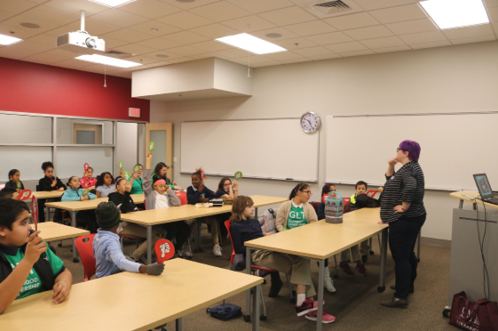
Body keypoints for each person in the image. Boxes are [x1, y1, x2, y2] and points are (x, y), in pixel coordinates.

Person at [230, 196, 335, 324]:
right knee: (300, 267)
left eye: (252, 206)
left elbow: (259, 236)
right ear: (240, 208)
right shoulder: (235, 226)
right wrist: (258, 241)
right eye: (249, 206)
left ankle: (303, 302)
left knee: (302, 259)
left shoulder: (255, 222)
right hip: (256, 255)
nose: (253, 209)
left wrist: (265, 237)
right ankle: (309, 308)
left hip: (268, 249)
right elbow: (239, 249)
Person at [0, 199, 72, 313]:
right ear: (2, 230)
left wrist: (63, 283)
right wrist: (28, 261)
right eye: (23, 223)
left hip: (45, 310)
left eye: (28, 222)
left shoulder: (35, 244)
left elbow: (63, 272)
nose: (29, 227)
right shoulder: (32, 250)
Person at [380, 140, 426, 309]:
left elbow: (411, 186)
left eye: (398, 149)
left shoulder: (409, 169)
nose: (396, 152)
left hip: (406, 219)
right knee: (407, 254)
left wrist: (405, 206)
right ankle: (407, 285)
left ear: (405, 153)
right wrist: (391, 165)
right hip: (413, 217)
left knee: (401, 257)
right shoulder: (410, 168)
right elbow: (390, 180)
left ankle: (400, 297)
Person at [276, 182, 336, 293]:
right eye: (307, 192)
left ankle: (325, 278)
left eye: (310, 193)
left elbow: (314, 224)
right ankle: (301, 287)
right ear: (298, 192)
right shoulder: (285, 206)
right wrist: (285, 234)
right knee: (300, 258)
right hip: (288, 241)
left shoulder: (309, 207)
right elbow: (278, 224)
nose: (309, 195)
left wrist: (307, 237)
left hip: (305, 240)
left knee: (322, 250)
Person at [92, 201, 165, 278]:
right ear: (117, 220)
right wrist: (146, 268)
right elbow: (120, 262)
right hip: (108, 278)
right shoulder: (110, 241)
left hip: (102, 274)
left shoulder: (98, 236)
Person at [108, 177, 164, 262]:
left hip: (135, 222)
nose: (127, 185)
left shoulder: (128, 196)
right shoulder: (114, 197)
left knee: (162, 231)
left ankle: (144, 253)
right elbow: (124, 210)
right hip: (123, 225)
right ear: (118, 187)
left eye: (127, 184)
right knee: (155, 234)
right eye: (124, 184)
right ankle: (134, 256)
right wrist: (127, 193)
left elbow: (134, 209)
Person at [337, 181, 369, 276]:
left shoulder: (366, 198)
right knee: (349, 239)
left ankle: (358, 261)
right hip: (351, 223)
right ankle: (348, 262)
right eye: (359, 188)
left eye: (363, 188)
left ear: (365, 190)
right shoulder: (353, 198)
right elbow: (351, 209)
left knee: (354, 240)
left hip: (361, 223)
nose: (361, 190)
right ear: (356, 189)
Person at [186, 169, 220, 256]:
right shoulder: (190, 189)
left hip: (204, 214)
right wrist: (199, 193)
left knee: (213, 221)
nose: (194, 181)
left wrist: (206, 199)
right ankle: (187, 246)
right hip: (193, 214)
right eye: (192, 180)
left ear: (201, 181)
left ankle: (216, 245)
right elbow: (191, 201)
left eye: (196, 179)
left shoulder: (204, 188)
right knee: (193, 223)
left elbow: (214, 197)